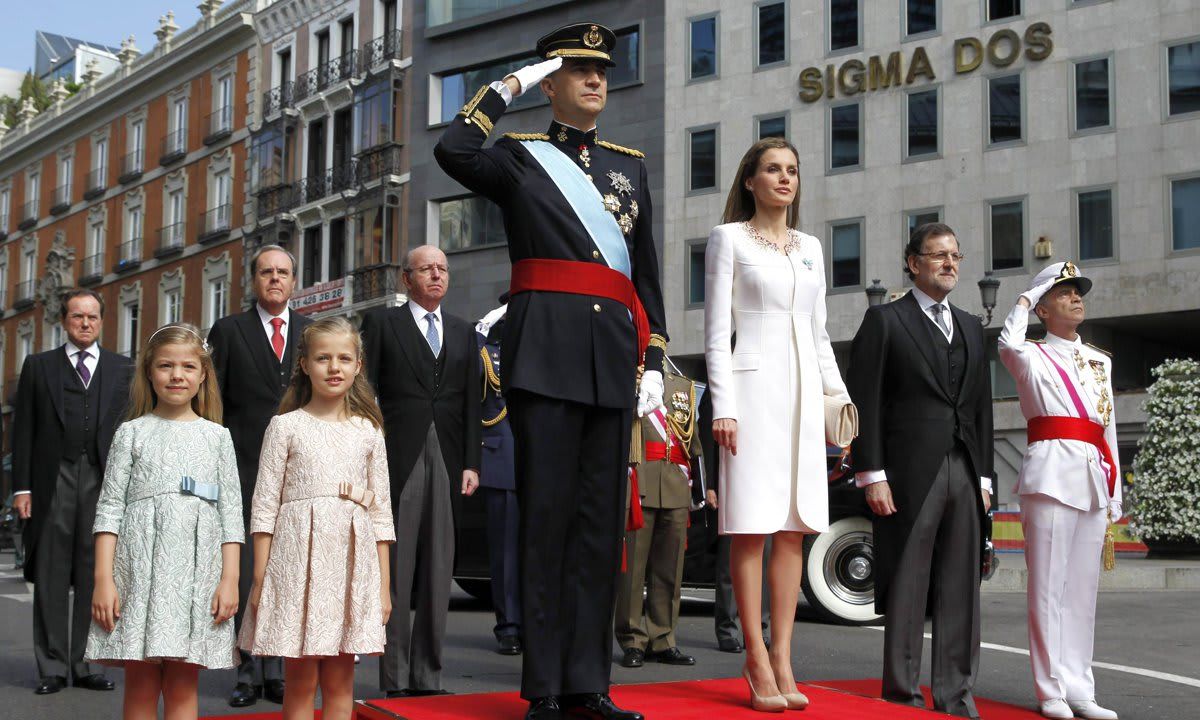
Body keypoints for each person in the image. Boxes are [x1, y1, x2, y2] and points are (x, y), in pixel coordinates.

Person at [434, 22, 667, 720]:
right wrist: (511, 84)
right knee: (546, 522)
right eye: (579, 69)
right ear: (553, 82)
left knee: (600, 530)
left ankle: (588, 684)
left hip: (609, 361)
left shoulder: (630, 166)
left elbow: (646, 273)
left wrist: (653, 355)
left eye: (603, 70)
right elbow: (453, 148)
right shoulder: (519, 158)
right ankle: (543, 688)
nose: (596, 79)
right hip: (544, 355)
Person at [704, 137, 851, 712]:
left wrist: (838, 401)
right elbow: (717, 333)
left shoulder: (812, 247)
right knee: (751, 525)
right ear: (750, 180)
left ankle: (784, 655)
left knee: (794, 526)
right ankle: (755, 659)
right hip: (750, 392)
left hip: (802, 397)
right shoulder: (728, 239)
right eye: (772, 169)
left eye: (792, 169)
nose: (784, 178)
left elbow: (818, 336)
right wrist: (723, 405)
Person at [847, 222, 993, 718]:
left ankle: (956, 696)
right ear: (913, 263)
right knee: (908, 582)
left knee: (961, 587)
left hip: (965, 467)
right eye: (938, 256)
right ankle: (902, 695)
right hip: (907, 472)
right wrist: (872, 474)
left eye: (955, 255)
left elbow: (981, 409)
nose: (950, 264)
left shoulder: (973, 326)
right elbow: (863, 399)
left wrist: (986, 478)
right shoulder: (885, 321)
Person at [238, 317, 395, 720]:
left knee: (341, 683)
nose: (334, 367)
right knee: (301, 681)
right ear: (305, 364)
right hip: (295, 566)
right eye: (323, 358)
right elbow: (264, 507)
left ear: (358, 365)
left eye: (344, 358)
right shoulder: (285, 426)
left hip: (350, 565)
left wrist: (383, 587)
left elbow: (381, 513)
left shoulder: (368, 430)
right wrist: (260, 578)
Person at [85, 323, 243, 719]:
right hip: (138, 572)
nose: (177, 375)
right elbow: (109, 510)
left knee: (182, 684)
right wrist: (104, 580)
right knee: (140, 686)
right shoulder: (130, 433)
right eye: (166, 366)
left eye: (188, 367)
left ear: (203, 374)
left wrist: (230, 579)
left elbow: (230, 514)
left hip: (197, 573)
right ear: (149, 373)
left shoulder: (217, 437)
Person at [998, 262, 1121, 720]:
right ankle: (1050, 689)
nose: (1075, 297)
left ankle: (1080, 688)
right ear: (1045, 307)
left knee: (1082, 592)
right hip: (1050, 475)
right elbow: (1006, 343)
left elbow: (1105, 430)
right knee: (1048, 588)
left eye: (1077, 291)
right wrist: (1026, 299)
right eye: (1063, 291)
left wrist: (1116, 491)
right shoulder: (1030, 353)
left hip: (1092, 476)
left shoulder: (1100, 360)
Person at [361, 245, 481, 698]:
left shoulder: (463, 331)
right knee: (396, 569)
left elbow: (472, 401)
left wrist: (472, 461)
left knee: (438, 571)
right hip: (397, 455)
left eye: (442, 268)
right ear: (405, 278)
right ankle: (393, 678)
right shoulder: (381, 324)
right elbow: (366, 392)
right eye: (427, 268)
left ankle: (428, 678)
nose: (436, 274)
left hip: (449, 458)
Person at [11, 288, 131, 695]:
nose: (85, 323)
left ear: (101, 321)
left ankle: (86, 664)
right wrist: (21, 488)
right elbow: (22, 429)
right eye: (78, 316)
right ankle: (51, 666)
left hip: (103, 477)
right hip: (52, 477)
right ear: (64, 321)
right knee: (50, 574)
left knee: (95, 573)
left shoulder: (122, 368)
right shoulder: (38, 366)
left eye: (93, 317)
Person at [207, 244, 312, 707]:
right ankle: (248, 672)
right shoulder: (228, 332)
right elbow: (215, 404)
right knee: (251, 572)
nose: (275, 279)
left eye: (283, 273)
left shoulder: (312, 332)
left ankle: (279, 670)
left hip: (302, 473)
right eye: (266, 272)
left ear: (294, 281)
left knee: (290, 572)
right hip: (244, 467)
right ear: (253, 280)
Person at [616, 370, 700, 670]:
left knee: (669, 569)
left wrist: (697, 484)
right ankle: (632, 639)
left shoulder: (683, 386)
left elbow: (693, 440)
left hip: (676, 482)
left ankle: (663, 637)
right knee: (633, 571)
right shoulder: (627, 379)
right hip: (640, 478)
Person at [476, 301, 522, 656]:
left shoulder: (541, 352)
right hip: (502, 459)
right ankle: (508, 626)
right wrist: (480, 331)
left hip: (540, 463)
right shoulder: (487, 353)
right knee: (506, 552)